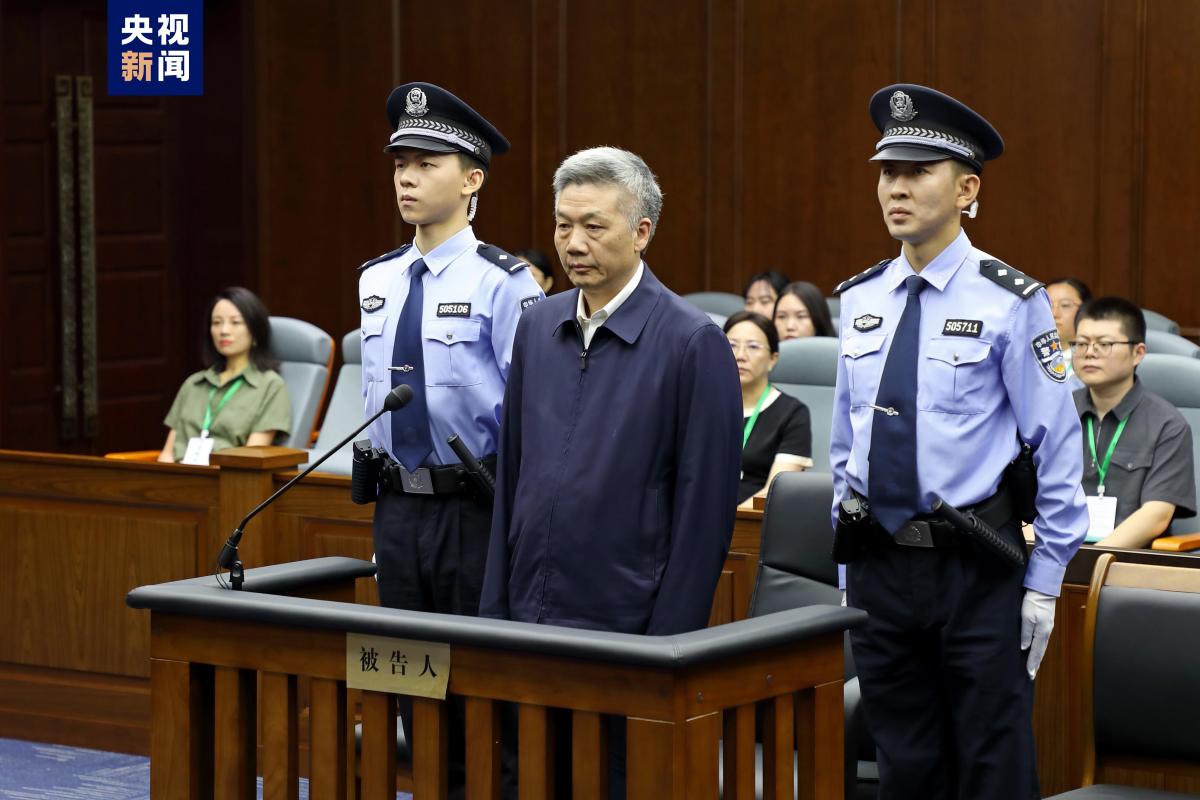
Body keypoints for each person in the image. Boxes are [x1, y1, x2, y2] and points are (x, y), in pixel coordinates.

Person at [829, 84, 1088, 800]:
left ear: (967, 189)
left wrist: (1044, 583)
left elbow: (1057, 447)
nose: (897, 188)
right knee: (904, 765)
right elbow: (846, 443)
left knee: (992, 765)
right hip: (879, 563)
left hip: (974, 567)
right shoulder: (860, 298)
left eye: (918, 172)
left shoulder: (1011, 300)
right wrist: (847, 563)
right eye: (888, 172)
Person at [357, 81, 541, 794]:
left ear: (471, 181)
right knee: (411, 681)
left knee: (478, 687)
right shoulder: (377, 279)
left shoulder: (505, 283)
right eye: (400, 163)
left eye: (426, 164)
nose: (406, 177)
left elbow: (533, 410)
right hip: (397, 506)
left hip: (475, 507)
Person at [480, 145, 740, 634]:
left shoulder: (692, 341)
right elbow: (511, 475)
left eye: (593, 227)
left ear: (641, 232)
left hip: (625, 621)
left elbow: (704, 517)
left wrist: (667, 645)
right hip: (525, 609)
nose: (574, 244)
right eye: (563, 226)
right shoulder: (536, 326)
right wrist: (494, 609)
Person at [1072, 297, 1196, 547]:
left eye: (1104, 344)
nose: (1089, 352)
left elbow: (1156, 515)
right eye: (1081, 343)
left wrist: (1088, 561)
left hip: (1128, 559)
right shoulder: (1059, 413)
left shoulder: (1167, 424)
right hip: (1056, 553)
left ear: (1137, 353)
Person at [159, 287, 291, 464]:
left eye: (235, 322)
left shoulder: (270, 386)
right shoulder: (193, 384)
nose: (224, 330)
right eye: (216, 322)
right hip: (179, 476)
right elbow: (167, 454)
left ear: (255, 332)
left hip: (229, 477)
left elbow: (251, 461)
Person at [722, 310, 812, 506]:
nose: (740, 356)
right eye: (732, 345)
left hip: (754, 519)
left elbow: (776, 492)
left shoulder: (793, 413)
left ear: (773, 359)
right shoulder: (702, 406)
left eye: (753, 347)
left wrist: (732, 519)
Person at [1047, 277, 1092, 381]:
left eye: (1065, 305)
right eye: (1048, 305)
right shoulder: (1027, 356)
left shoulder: (1094, 358)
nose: (1054, 314)